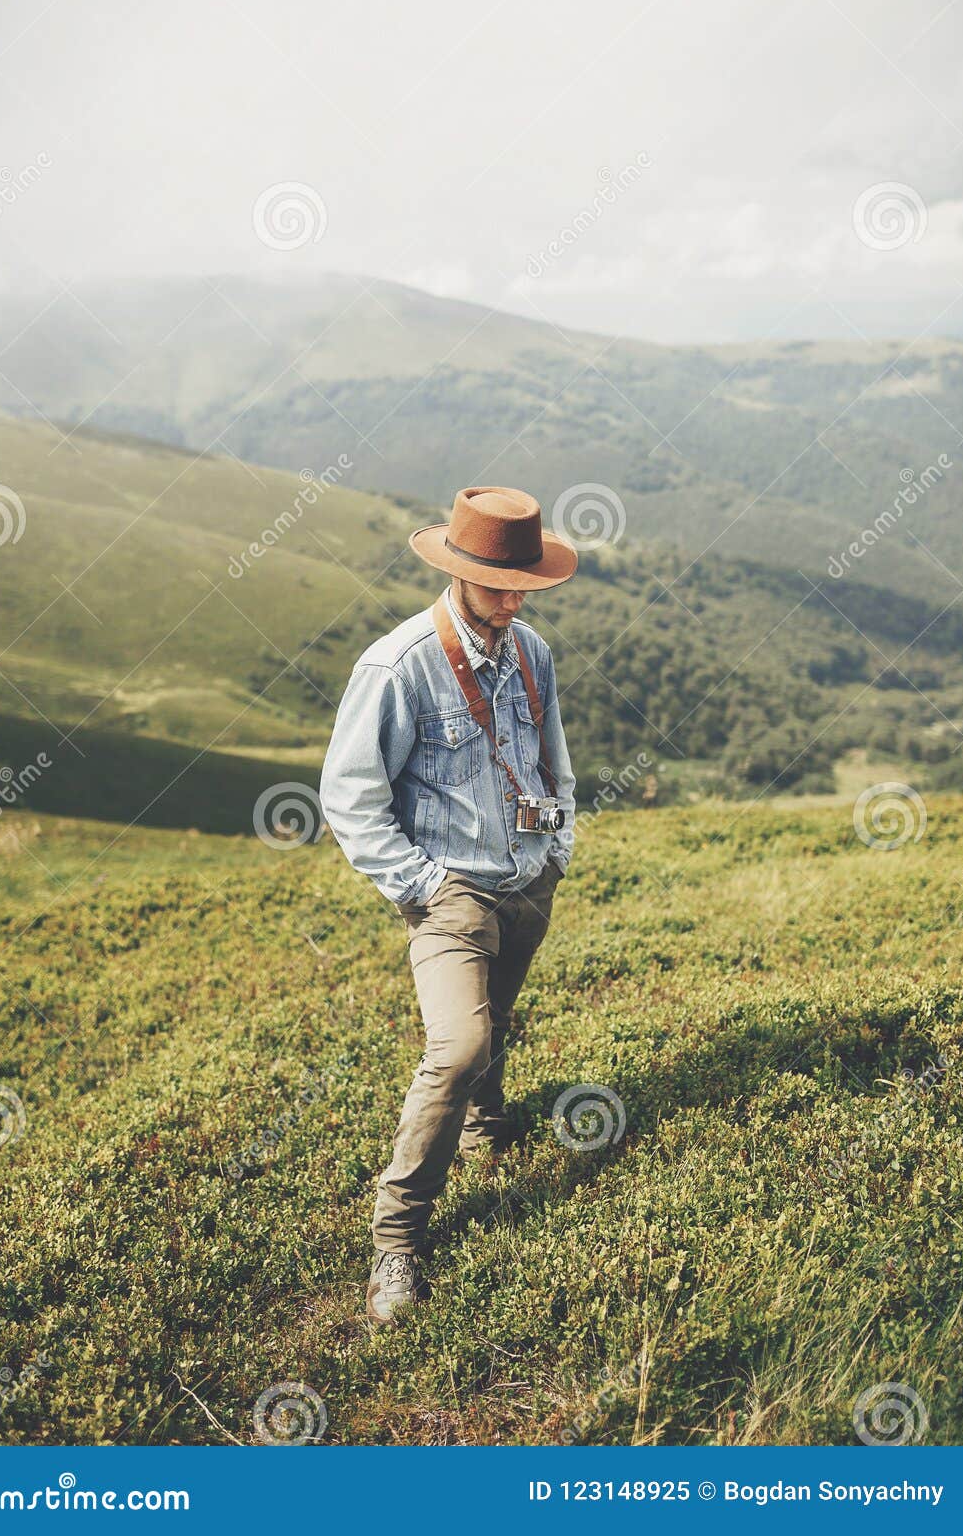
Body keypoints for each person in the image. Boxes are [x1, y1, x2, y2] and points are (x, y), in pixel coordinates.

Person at [319, 485, 578, 1324]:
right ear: (458, 572)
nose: (514, 601)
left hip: (527, 879)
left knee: (495, 1019)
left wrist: (556, 850)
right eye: (500, 586)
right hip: (451, 891)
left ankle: (487, 1129)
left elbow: (552, 762)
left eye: (524, 587)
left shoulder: (530, 651)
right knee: (459, 1045)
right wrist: (424, 887)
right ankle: (397, 1243)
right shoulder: (398, 665)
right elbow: (350, 797)